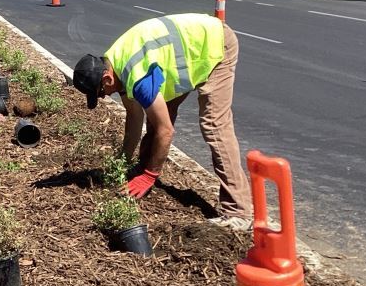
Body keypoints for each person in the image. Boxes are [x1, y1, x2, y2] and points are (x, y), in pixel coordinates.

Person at [72, 13, 253, 230]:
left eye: (102, 93)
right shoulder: (113, 64)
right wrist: (122, 165)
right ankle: (141, 167)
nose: (104, 97)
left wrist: (150, 176)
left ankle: (239, 211)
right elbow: (134, 119)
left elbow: (166, 131)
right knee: (160, 113)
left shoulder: (135, 76)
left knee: (214, 125)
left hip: (214, 45)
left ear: (107, 79)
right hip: (189, 49)